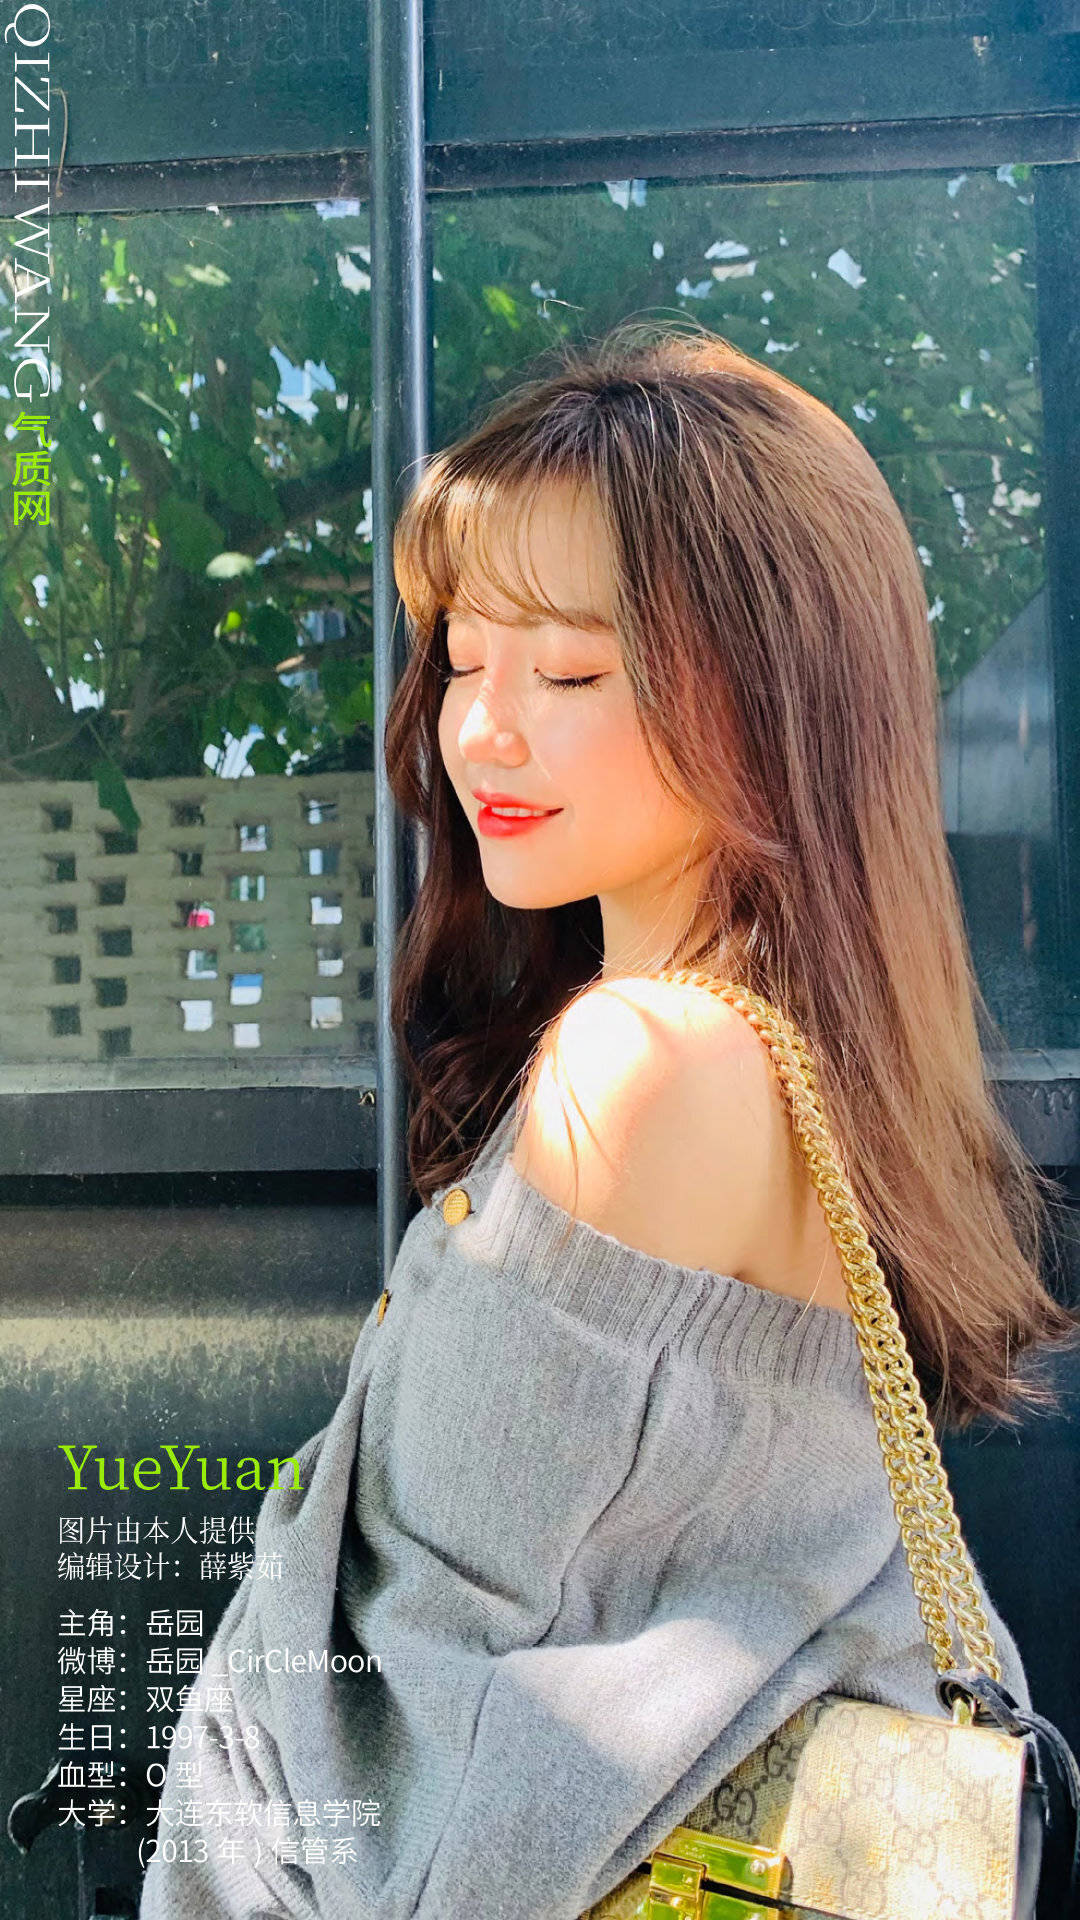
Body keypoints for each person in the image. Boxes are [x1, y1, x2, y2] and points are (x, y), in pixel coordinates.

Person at [139, 321, 1074, 1920]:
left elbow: (443, 1712)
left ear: (770, 694)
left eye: (569, 671)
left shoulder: (638, 1064)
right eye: (463, 656)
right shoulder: (808, 1055)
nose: (481, 728)